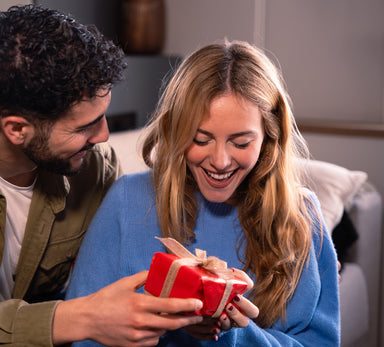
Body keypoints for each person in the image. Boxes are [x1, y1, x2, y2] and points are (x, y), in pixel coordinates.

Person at [0, 5, 206, 347]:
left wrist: (187, 309)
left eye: (103, 117)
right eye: (84, 126)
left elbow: (132, 267)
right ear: (16, 129)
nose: (103, 136)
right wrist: (84, 318)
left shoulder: (93, 169)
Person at [66, 40, 340, 346]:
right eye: (200, 139)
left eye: (241, 142)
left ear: (269, 137)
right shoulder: (127, 201)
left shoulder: (302, 216)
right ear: (174, 130)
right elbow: (82, 334)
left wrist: (235, 334)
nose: (220, 161)